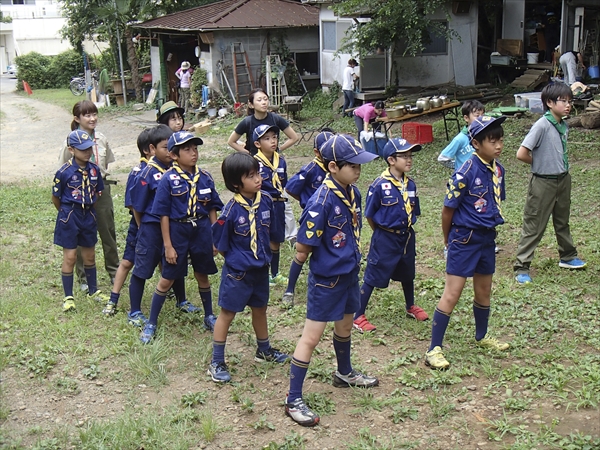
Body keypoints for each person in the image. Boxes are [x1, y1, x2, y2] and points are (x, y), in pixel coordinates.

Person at [285, 134, 379, 427]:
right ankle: (293, 399)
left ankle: (344, 372)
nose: (358, 171)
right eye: (353, 166)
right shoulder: (321, 201)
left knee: (345, 325)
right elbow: (304, 248)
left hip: (349, 273)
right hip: (326, 280)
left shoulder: (353, 192)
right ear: (333, 166)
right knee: (311, 338)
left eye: (360, 165)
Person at [424, 116, 510, 370]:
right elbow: (447, 210)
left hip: (486, 237)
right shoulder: (464, 173)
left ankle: (482, 336)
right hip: (464, 237)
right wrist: (448, 240)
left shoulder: (498, 169)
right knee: (453, 292)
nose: (498, 146)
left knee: (484, 290)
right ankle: (433, 349)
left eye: (500, 140)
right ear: (475, 143)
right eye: (492, 141)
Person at [208, 153, 289, 383]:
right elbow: (222, 244)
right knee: (227, 314)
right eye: (251, 176)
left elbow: (269, 231)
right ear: (236, 183)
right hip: (238, 273)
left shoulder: (265, 201)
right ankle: (217, 361)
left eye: (258, 173)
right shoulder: (231, 210)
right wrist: (238, 261)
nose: (258, 179)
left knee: (260, 309)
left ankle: (263, 349)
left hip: (260, 270)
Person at [139, 131, 223, 343]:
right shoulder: (168, 179)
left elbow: (212, 207)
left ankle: (209, 315)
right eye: (187, 149)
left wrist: (215, 236)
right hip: (178, 231)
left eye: (195, 148)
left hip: (201, 230)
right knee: (167, 278)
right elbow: (163, 214)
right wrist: (168, 245)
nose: (193, 153)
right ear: (174, 155)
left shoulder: (205, 177)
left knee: (202, 274)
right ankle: (151, 323)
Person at [513, 84, 587, 285]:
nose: (568, 105)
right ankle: (522, 266)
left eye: (570, 101)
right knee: (534, 224)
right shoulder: (541, 125)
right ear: (549, 103)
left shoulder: (563, 124)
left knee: (562, 221)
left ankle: (568, 256)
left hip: (563, 180)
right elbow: (522, 154)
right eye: (563, 101)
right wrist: (541, 164)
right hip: (543, 182)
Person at [353, 138, 428, 333]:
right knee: (373, 274)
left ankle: (410, 305)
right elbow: (370, 214)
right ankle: (357, 314)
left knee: (407, 271)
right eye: (404, 156)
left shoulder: (410, 185)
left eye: (410, 156)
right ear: (391, 160)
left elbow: (414, 211)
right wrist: (383, 232)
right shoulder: (379, 185)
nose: (409, 160)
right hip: (385, 237)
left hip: (406, 236)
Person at [127, 125, 191, 327]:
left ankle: (182, 300)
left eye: (173, 147)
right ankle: (135, 311)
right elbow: (137, 206)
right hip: (151, 228)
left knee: (175, 264)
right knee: (142, 268)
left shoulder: (176, 170)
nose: (171, 152)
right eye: (165, 148)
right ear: (153, 149)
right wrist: (142, 228)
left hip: (172, 227)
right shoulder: (147, 173)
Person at [58, 101, 118, 292]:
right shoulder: (70, 142)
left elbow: (106, 164)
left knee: (107, 231)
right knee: (78, 235)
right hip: (77, 196)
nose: (92, 119)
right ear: (77, 119)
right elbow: (63, 170)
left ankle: (114, 272)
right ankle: (83, 278)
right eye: (87, 115)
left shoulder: (101, 138)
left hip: (100, 188)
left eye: (94, 114)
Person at [227, 88, 299, 244]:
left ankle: (292, 235)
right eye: (259, 100)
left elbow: (294, 137)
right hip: (256, 166)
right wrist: (248, 155)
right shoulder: (248, 121)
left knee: (282, 198)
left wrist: (278, 150)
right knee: (258, 199)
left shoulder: (275, 119)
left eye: (265, 99)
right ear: (251, 104)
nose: (264, 102)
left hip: (274, 165)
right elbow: (231, 141)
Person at [52, 130, 105, 311]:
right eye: (82, 149)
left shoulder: (94, 170)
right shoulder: (64, 172)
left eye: (89, 148)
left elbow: (98, 193)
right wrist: (67, 212)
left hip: (88, 215)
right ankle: (68, 297)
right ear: (71, 149)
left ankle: (93, 290)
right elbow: (56, 198)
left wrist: (88, 209)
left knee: (89, 255)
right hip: (69, 215)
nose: (87, 152)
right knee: (71, 256)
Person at [102, 129, 153, 316]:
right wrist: (141, 227)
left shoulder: (166, 169)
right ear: (149, 149)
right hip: (140, 225)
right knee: (128, 261)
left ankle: (176, 297)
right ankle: (113, 299)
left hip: (160, 227)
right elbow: (132, 204)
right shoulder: (138, 172)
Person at [282, 130, 334, 306]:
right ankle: (289, 289)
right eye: (325, 150)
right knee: (303, 253)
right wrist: (306, 201)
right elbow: (290, 188)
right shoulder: (311, 169)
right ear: (317, 152)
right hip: (313, 217)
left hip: (332, 217)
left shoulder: (336, 167)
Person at [253, 124, 288, 286]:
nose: (272, 141)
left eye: (274, 137)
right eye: (267, 138)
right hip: (262, 205)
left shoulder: (280, 160)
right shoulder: (254, 163)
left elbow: (284, 182)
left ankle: (275, 272)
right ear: (257, 144)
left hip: (278, 204)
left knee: (276, 238)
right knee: (263, 237)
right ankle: (263, 273)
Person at [437, 100, 485, 171]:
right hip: (465, 178)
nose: (481, 118)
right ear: (466, 118)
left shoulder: (485, 134)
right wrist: (459, 166)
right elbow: (442, 158)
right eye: (477, 116)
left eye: (483, 115)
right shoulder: (460, 139)